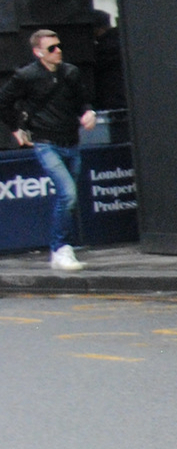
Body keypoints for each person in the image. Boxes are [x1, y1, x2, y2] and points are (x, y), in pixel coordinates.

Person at [0, 27, 96, 271]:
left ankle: (60, 249)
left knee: (68, 197)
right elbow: (4, 101)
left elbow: (81, 101)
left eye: (59, 46)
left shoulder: (71, 73)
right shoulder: (27, 76)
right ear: (38, 52)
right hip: (46, 142)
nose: (58, 51)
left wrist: (88, 113)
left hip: (71, 141)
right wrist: (15, 129)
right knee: (68, 193)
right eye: (51, 48)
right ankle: (61, 248)